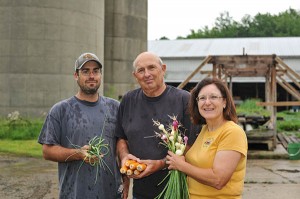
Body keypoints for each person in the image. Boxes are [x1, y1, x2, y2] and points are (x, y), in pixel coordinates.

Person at [38, 52, 123, 199]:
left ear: (100, 75)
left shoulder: (115, 107)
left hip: (111, 193)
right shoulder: (61, 110)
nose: (91, 76)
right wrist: (78, 153)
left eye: (95, 71)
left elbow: (123, 147)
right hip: (74, 194)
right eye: (85, 71)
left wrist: (126, 182)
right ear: (76, 75)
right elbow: (47, 151)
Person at [115, 51, 199, 199]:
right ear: (135, 76)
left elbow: (192, 146)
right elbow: (121, 138)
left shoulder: (184, 100)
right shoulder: (128, 100)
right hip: (141, 193)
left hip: (177, 190)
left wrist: (161, 164)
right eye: (141, 70)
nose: (147, 74)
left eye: (151, 67)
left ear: (163, 69)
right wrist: (124, 156)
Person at [166, 77, 248, 199]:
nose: (207, 102)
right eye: (202, 98)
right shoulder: (204, 130)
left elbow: (218, 180)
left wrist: (182, 166)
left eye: (213, 97)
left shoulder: (232, 132)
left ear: (224, 102)